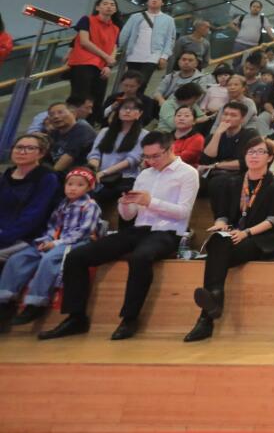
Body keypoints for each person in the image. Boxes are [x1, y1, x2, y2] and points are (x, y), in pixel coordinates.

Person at [40, 131, 198, 341]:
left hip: (168, 232)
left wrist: (151, 202)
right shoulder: (145, 174)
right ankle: (75, 317)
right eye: (147, 156)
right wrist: (125, 205)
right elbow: (130, 215)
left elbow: (183, 212)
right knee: (77, 256)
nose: (151, 161)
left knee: (140, 258)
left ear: (170, 149)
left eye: (155, 156)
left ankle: (129, 318)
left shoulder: (187, 173)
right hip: (138, 229)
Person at [183, 136, 274, 342]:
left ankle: (207, 317)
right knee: (217, 240)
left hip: (260, 239)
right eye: (250, 152)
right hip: (233, 236)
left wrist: (246, 233)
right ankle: (213, 301)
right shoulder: (233, 182)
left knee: (217, 254)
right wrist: (220, 224)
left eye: (260, 152)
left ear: (270, 157)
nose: (254, 156)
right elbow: (223, 214)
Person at [0, 167, 100, 331]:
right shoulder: (62, 204)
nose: (73, 188)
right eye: (69, 184)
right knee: (20, 257)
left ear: (89, 188)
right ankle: (5, 298)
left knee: (49, 259)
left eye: (80, 185)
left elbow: (83, 231)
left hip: (76, 242)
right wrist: (47, 239)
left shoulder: (90, 206)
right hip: (55, 240)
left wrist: (57, 243)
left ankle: (36, 302)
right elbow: (52, 225)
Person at [0, 134, 61, 267]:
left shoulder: (47, 178)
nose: (22, 152)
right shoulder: (7, 174)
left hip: (26, 236)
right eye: (19, 147)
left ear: (41, 153)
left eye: (30, 148)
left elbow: (33, 216)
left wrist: (4, 237)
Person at [66, 0, 121, 124]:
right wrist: (106, 57)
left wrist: (109, 66)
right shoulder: (87, 20)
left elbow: (114, 47)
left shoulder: (116, 28)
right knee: (79, 99)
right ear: (97, 7)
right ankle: (71, 124)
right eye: (105, 4)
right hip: (84, 63)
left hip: (102, 67)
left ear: (115, 10)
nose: (109, 6)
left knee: (97, 101)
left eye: (112, 4)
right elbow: (84, 42)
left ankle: (88, 127)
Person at [86, 98, 146, 204]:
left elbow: (132, 160)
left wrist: (104, 173)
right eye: (124, 108)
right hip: (99, 174)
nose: (127, 111)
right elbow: (95, 154)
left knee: (96, 197)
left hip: (123, 178)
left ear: (140, 113)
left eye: (133, 109)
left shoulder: (144, 135)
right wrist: (94, 170)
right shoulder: (105, 131)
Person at [115, 0, 176, 92]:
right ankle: (127, 101)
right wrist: (116, 50)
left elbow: (170, 39)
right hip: (133, 55)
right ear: (147, 1)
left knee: (142, 84)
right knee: (130, 83)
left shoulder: (168, 20)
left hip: (153, 56)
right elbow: (124, 34)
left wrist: (164, 56)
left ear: (162, 2)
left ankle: (136, 101)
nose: (154, 0)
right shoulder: (135, 17)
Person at [43, 101, 96, 174]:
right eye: (51, 115)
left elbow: (68, 158)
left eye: (60, 112)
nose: (56, 117)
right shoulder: (54, 133)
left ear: (73, 114)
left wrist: (49, 176)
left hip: (78, 175)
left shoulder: (83, 130)